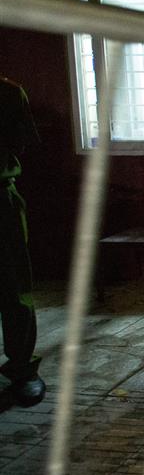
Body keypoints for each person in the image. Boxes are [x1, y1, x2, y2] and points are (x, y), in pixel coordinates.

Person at [0, 75, 44, 406]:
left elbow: (22, 142)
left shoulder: (8, 92)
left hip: (1, 196)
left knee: (15, 287)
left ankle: (21, 369)